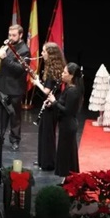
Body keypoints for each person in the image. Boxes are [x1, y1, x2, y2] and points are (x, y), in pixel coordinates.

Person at [0, 24, 30, 151]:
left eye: (14, 35)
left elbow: (19, 69)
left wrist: (5, 58)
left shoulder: (24, 50)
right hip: (3, 86)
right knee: (1, 115)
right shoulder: (8, 46)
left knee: (14, 116)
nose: (11, 38)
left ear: (21, 35)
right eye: (10, 35)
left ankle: (15, 139)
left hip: (15, 88)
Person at [46, 62, 84, 183]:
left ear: (72, 76)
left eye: (65, 73)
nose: (62, 74)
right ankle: (68, 179)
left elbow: (67, 111)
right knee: (68, 153)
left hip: (68, 125)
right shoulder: (69, 87)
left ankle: (68, 180)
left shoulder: (73, 91)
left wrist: (54, 101)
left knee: (66, 153)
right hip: (66, 125)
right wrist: (53, 103)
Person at [32, 42, 66, 171]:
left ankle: (48, 163)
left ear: (50, 54)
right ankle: (43, 160)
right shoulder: (57, 68)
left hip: (51, 106)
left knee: (47, 134)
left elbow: (46, 91)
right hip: (52, 105)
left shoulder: (52, 70)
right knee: (46, 133)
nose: (41, 54)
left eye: (44, 51)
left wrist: (37, 82)